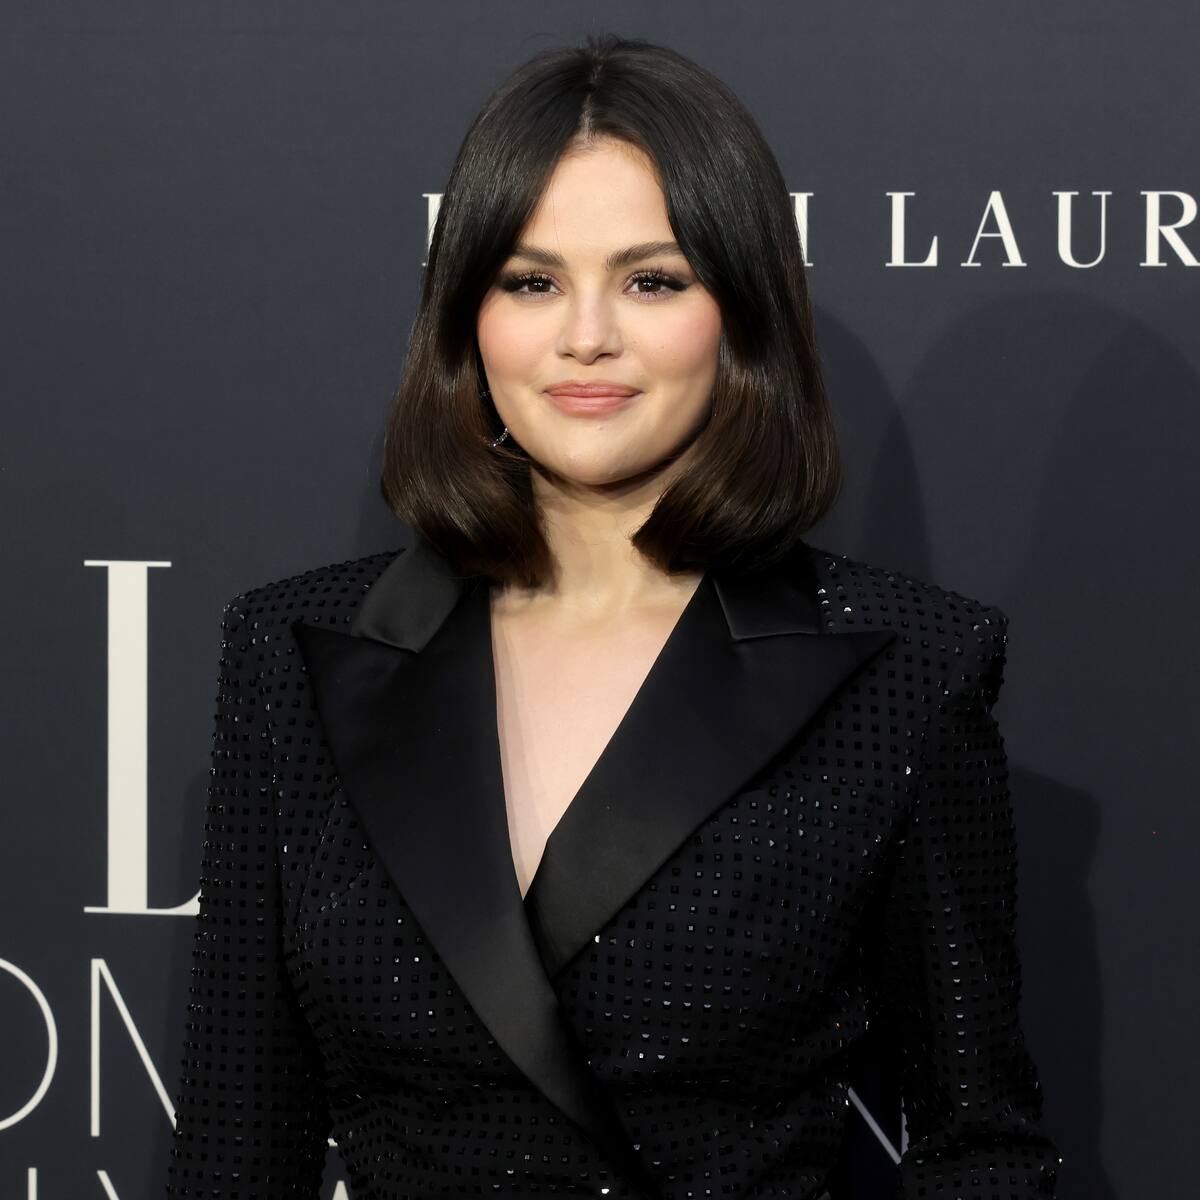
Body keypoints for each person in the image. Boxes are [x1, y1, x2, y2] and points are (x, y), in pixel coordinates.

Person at [163, 33, 1060, 1200]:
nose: (585, 336)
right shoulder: (294, 653)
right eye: (531, 282)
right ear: (467, 315)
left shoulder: (905, 672)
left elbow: (979, 1154)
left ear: (740, 312)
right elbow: (232, 1152)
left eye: (652, 280)